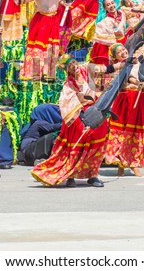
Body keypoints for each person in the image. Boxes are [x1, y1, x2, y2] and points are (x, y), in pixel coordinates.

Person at [31, 55, 109, 187]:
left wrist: (124, 65)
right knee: (75, 147)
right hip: (78, 117)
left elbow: (105, 70)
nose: (74, 66)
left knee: (96, 145)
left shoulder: (86, 70)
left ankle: (93, 174)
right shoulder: (68, 85)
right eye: (70, 66)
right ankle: (70, 175)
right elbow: (68, 103)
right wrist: (83, 113)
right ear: (67, 70)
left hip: (95, 112)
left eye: (74, 62)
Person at [104, 44, 144, 177]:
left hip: (139, 97)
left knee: (135, 131)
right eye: (119, 52)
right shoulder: (119, 66)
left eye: (123, 49)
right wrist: (137, 83)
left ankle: (134, 163)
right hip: (124, 99)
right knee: (122, 131)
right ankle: (120, 163)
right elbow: (125, 79)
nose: (123, 52)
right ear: (115, 56)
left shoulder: (137, 59)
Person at [19, 0, 65, 81]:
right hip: (41, 21)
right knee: (38, 47)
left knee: (52, 47)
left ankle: (48, 73)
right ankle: (35, 72)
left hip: (53, 21)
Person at [88, 0, 127, 90]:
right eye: (108, 5)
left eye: (112, 3)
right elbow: (110, 37)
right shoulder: (106, 21)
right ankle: (103, 90)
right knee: (106, 69)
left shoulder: (122, 14)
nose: (111, 6)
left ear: (115, 3)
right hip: (108, 46)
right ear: (105, 8)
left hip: (121, 42)